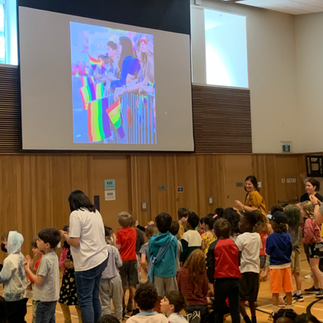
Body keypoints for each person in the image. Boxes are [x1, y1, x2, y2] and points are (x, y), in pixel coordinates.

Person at [60, 190, 108, 323]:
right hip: (101, 258)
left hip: (87, 262)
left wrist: (64, 236)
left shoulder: (75, 214)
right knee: (94, 297)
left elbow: (75, 242)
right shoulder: (95, 212)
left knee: (85, 300)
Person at [206, 218, 240, 323]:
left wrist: (210, 280)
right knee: (235, 309)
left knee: (218, 310)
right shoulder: (234, 244)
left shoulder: (213, 246)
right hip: (235, 280)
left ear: (215, 231)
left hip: (221, 282)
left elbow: (210, 265)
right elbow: (238, 261)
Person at [24, 228, 61, 323]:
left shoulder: (45, 260)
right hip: (51, 298)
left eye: (39, 240)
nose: (37, 241)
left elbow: (38, 281)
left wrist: (28, 270)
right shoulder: (54, 256)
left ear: (47, 245)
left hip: (44, 299)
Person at [266, 211, 294, 318]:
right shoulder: (288, 236)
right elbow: (290, 249)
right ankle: (290, 310)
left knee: (275, 292)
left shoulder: (271, 237)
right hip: (286, 265)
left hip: (275, 266)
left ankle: (275, 312)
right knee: (288, 290)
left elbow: (268, 251)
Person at [236, 212, 262, 323]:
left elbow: (237, 254)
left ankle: (246, 319)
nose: (239, 223)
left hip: (244, 271)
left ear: (247, 224)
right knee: (252, 299)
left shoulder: (240, 238)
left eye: (241, 221)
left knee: (238, 298)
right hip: (255, 271)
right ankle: (254, 318)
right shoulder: (257, 236)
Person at [0, 231, 28, 323]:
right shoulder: (21, 256)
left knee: (11, 319)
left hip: (12, 296)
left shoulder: (9, 260)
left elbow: (3, 277)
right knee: (20, 318)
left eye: (5, 244)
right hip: (23, 294)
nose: (4, 246)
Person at [148, 212, 178, 296]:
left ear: (156, 226)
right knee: (172, 297)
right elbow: (175, 256)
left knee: (158, 298)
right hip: (170, 272)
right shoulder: (174, 240)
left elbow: (150, 255)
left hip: (157, 272)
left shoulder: (152, 241)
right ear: (170, 225)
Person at [177, 249, 209, 323]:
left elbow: (178, 289)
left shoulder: (181, 272)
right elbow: (205, 291)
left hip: (186, 306)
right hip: (201, 306)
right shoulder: (202, 273)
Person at [115, 211, 138, 314]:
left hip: (122, 260)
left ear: (120, 223)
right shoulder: (133, 231)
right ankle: (134, 305)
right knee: (133, 284)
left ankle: (122, 305)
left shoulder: (119, 233)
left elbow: (118, 247)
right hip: (132, 259)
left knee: (123, 285)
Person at [59, 225, 82, 323]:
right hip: (66, 277)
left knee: (78, 302)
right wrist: (64, 263)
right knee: (62, 300)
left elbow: (83, 262)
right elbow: (60, 262)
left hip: (77, 277)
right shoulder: (65, 248)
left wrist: (74, 265)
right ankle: (67, 320)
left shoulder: (79, 246)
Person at [100, 226, 123, 322]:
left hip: (102, 279)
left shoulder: (98, 250)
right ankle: (118, 320)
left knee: (105, 304)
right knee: (118, 304)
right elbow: (120, 263)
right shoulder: (113, 249)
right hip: (114, 277)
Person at [300, 201, 323, 297]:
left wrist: (304, 240)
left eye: (301, 209)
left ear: (305, 210)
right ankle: (316, 286)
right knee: (314, 267)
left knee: (315, 267)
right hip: (316, 244)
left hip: (315, 245)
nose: (300, 211)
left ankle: (322, 287)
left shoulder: (308, 221)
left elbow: (309, 234)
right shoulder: (311, 220)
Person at [284, 204, 303, 302]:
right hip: (297, 250)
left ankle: (290, 294)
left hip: (289, 251)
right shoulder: (298, 226)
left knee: (289, 274)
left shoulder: (287, 226)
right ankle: (299, 293)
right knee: (297, 273)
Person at [28, 236, 44, 323]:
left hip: (39, 296)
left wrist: (28, 269)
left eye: (35, 247)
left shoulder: (41, 261)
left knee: (36, 317)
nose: (33, 250)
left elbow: (33, 279)